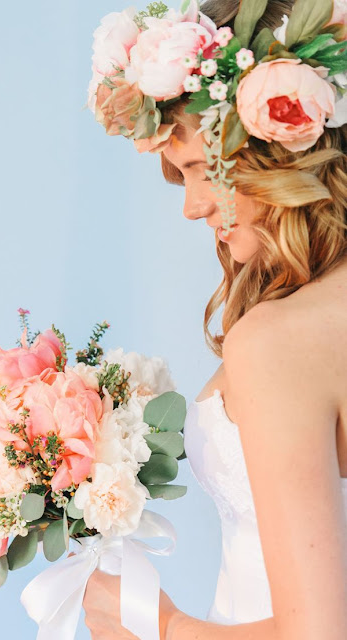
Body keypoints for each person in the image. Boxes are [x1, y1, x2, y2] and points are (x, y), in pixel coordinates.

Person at [81, 0, 347, 637]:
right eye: (180, 177)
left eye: (203, 169)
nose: (193, 207)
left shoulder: (275, 342)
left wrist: (157, 624)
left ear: (281, 150)